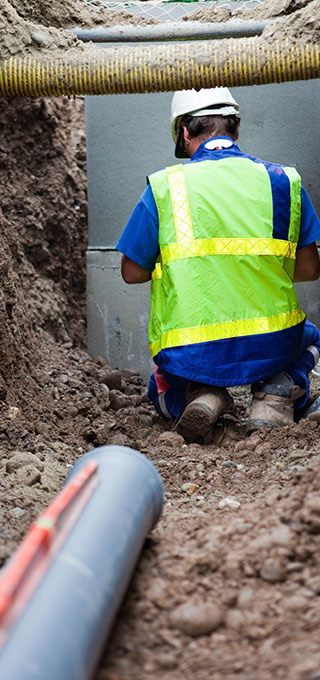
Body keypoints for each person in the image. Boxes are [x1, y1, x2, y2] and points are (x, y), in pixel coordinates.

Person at [116, 87, 320, 442]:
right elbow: (309, 269)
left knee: (161, 388)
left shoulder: (166, 187)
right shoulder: (284, 181)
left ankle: (200, 395)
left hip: (190, 350)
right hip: (273, 343)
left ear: (183, 132)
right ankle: (275, 392)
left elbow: (132, 272)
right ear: (235, 129)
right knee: (311, 340)